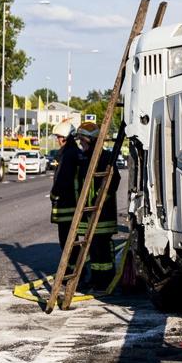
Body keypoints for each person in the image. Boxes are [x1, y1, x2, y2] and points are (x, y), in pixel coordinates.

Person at [75, 121, 119, 292]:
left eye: (83, 141)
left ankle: (106, 280)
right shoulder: (85, 158)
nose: (81, 145)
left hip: (103, 214)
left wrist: (101, 200)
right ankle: (95, 278)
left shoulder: (105, 158)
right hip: (88, 213)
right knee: (92, 249)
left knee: (103, 250)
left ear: (91, 140)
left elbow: (114, 180)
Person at [49, 121, 80, 254]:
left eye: (58, 137)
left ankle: (71, 271)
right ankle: (75, 269)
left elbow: (62, 180)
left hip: (66, 205)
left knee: (67, 241)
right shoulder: (76, 153)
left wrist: (53, 195)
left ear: (64, 138)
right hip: (74, 204)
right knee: (73, 240)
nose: (57, 140)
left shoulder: (67, 156)